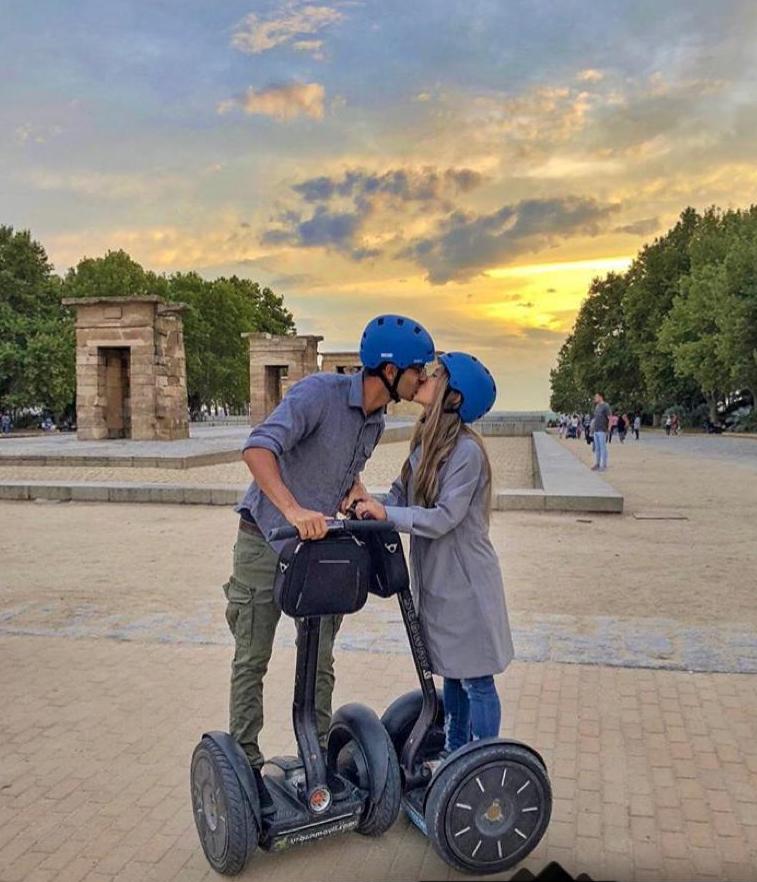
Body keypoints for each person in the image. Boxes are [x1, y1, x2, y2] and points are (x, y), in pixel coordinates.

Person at [227, 314, 435, 808]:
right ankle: (245, 766)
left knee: (318, 658)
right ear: (389, 370)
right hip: (265, 539)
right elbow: (257, 450)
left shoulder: (376, 420)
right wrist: (294, 509)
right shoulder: (318, 394)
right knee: (253, 655)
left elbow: (339, 471)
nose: (423, 380)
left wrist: (352, 493)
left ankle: (315, 756)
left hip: (317, 549)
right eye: (418, 371)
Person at [356, 353, 513, 753]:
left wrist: (387, 513)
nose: (426, 376)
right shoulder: (426, 441)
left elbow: (443, 517)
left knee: (476, 679)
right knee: (453, 676)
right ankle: (453, 753)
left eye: (438, 374)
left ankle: (484, 760)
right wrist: (363, 502)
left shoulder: (467, 453)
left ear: (454, 397)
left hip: (466, 584)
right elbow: (398, 493)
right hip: (439, 581)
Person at [591, 392, 611, 471]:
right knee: (597, 448)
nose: (595, 398)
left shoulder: (606, 406)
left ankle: (604, 465)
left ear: (600, 397)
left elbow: (610, 418)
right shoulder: (597, 406)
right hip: (596, 430)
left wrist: (608, 429)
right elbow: (595, 418)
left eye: (596, 397)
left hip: (602, 430)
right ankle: (598, 464)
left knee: (603, 448)